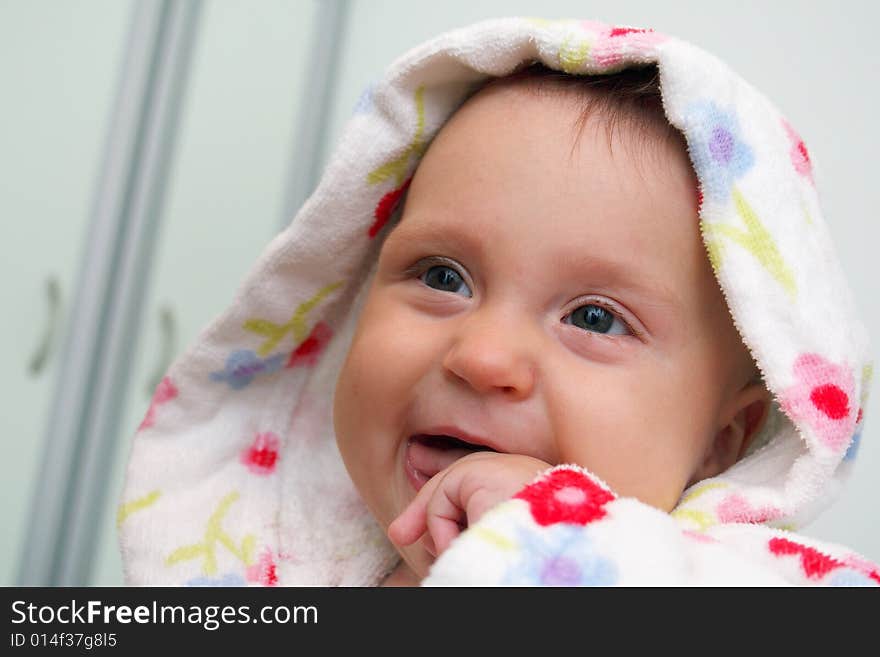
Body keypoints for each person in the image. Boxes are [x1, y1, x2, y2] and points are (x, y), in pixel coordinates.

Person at [119, 18, 877, 586]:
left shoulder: (736, 583)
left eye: (593, 317)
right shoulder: (280, 565)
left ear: (723, 441)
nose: (482, 357)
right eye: (443, 276)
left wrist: (558, 545)